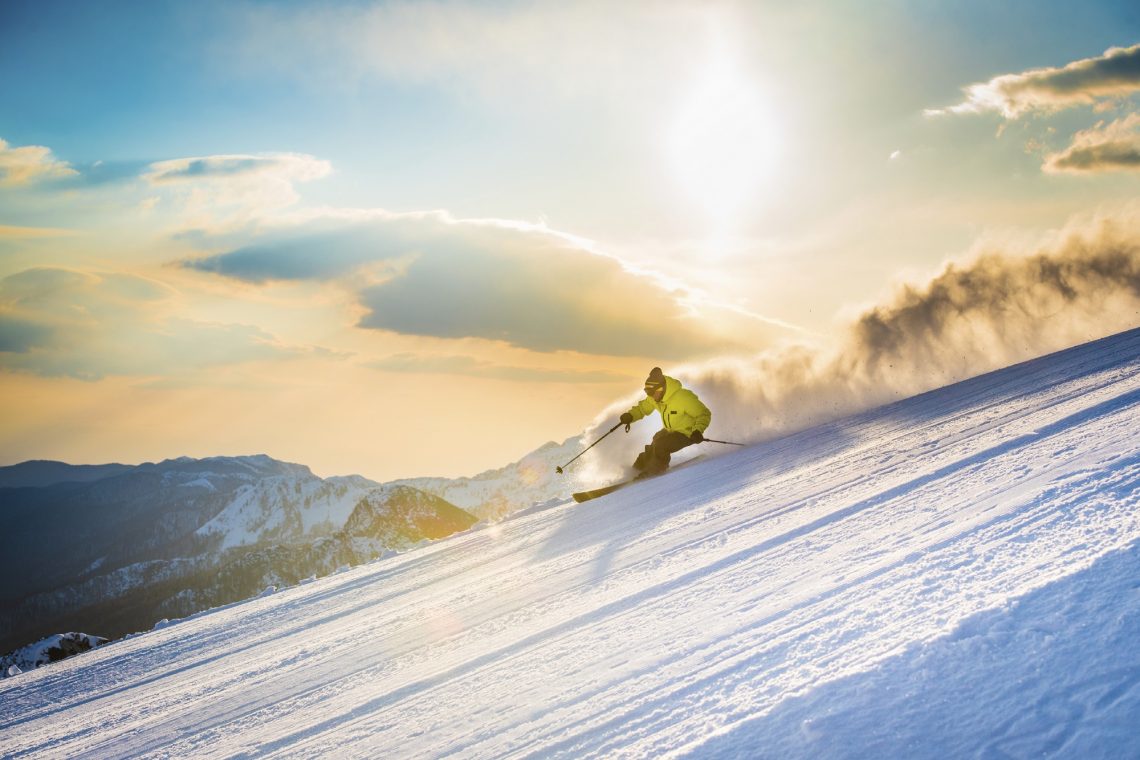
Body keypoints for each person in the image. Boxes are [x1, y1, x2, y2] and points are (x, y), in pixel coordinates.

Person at [620, 367, 711, 478]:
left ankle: (655, 470)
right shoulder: (654, 397)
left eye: (652, 393)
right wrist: (630, 416)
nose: (650, 396)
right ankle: (636, 469)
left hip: (689, 433)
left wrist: (698, 430)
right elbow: (642, 409)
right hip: (671, 430)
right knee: (656, 439)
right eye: (648, 392)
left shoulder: (683, 397)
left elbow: (704, 414)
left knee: (661, 445)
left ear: (661, 389)